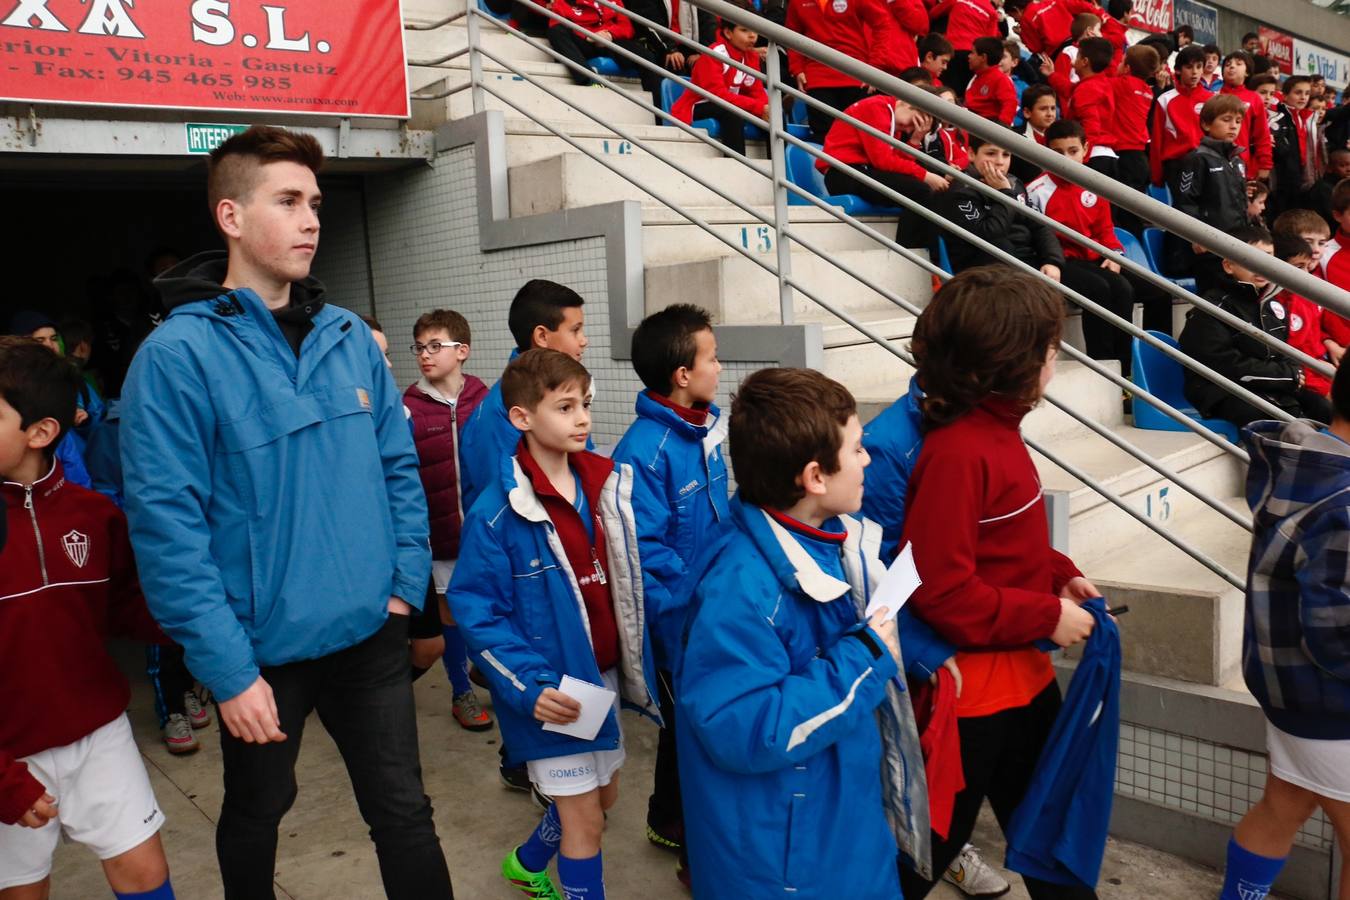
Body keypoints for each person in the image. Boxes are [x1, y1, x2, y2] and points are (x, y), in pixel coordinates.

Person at [119, 125, 454, 900]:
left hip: (371, 632)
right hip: (261, 653)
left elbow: (399, 472)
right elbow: (169, 532)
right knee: (259, 809)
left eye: (316, 203)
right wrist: (228, 672)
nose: (311, 220)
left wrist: (404, 590)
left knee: (404, 813)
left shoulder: (350, 339)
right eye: (289, 201)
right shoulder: (175, 359)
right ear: (231, 217)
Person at [676, 365, 952, 900]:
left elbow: (869, 624)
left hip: (836, 824)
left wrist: (908, 650)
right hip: (786, 859)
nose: (869, 459)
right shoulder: (742, 586)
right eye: (857, 449)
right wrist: (866, 658)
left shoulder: (829, 537)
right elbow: (748, 727)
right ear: (815, 478)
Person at [896, 266, 1101, 900]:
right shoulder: (959, 453)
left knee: (1049, 839)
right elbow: (943, 592)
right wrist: (1044, 617)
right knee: (920, 857)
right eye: (1046, 347)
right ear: (1009, 365)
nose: (1055, 357)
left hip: (1022, 680)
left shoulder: (997, 433)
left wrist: (1059, 577)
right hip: (975, 698)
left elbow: (1005, 546)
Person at [448, 349, 660, 900]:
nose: (583, 419)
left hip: (602, 680)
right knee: (586, 824)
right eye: (564, 407)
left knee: (604, 799)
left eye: (585, 404)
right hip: (552, 694)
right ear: (522, 418)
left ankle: (526, 860)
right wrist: (529, 685)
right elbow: (476, 609)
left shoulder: (608, 487)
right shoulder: (497, 513)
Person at [0, 336, 177, 900]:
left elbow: (128, 608)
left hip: (99, 732)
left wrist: (205, 622)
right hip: (10, 750)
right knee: (22, 891)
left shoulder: (95, 515)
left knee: (145, 875)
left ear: (41, 432)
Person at [1220, 361, 1350, 900]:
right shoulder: (1344, 504)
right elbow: (1336, 630)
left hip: (1289, 692)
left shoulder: (1307, 466)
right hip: (1332, 702)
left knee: (1284, 803)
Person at [609, 304, 730, 881]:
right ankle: (695, 856)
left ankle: (665, 817)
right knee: (696, 733)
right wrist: (689, 618)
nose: (720, 366)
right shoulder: (644, 453)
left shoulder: (707, 431)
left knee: (688, 730)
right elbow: (645, 559)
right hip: (677, 626)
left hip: (711, 614)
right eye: (711, 357)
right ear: (683, 374)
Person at [402, 309, 493, 727]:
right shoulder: (407, 407)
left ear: (463, 351)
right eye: (420, 347)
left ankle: (485, 668)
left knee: (490, 607)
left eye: (435, 346)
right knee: (449, 614)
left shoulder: (486, 398)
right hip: (436, 535)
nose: (425, 355)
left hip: (483, 532)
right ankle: (462, 692)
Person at [1178, 224, 1331, 428]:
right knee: (1278, 421)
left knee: (1326, 409)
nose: (1261, 266)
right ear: (1228, 266)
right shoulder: (1211, 308)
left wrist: (1291, 374)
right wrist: (1287, 376)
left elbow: (1287, 353)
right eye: (1251, 258)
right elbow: (1224, 366)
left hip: (1269, 386)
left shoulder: (1272, 302)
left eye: (1268, 257)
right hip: (1224, 392)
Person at [1027, 119, 1137, 374]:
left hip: (1093, 259)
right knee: (1099, 289)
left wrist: (1115, 254)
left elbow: (1105, 231)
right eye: (1058, 152)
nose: (1066, 159)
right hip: (1059, 261)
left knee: (1136, 289)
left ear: (1086, 149)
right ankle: (1103, 369)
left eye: (1073, 151)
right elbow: (1036, 236)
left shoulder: (1094, 183)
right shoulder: (1037, 190)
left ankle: (1130, 371)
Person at [819, 92, 948, 247]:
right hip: (843, 173)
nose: (909, 130)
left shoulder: (892, 119)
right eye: (914, 122)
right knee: (921, 190)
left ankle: (922, 253)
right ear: (906, 103)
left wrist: (915, 139)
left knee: (926, 192)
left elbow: (894, 163)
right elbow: (884, 161)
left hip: (861, 171)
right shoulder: (877, 108)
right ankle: (909, 253)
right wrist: (925, 175)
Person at [786, 0, 903, 141]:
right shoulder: (797, 2)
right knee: (825, 138)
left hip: (856, 78)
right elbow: (791, 34)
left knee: (859, 138)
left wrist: (874, 67)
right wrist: (797, 69)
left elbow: (882, 23)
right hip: (818, 80)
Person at [1166, 93, 1250, 290]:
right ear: (1206, 124)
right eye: (1226, 120)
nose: (1233, 126)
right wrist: (1197, 235)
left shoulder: (1237, 161)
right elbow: (1185, 201)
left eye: (1238, 121)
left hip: (1236, 245)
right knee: (1212, 299)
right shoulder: (1197, 158)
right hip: (1209, 248)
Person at [671, 13, 768, 158]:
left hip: (726, 103)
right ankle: (737, 166)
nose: (752, 36)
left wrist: (766, 109)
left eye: (754, 30)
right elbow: (718, 95)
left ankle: (780, 171)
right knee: (732, 112)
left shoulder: (751, 56)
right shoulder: (715, 53)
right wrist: (758, 107)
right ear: (728, 33)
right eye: (744, 30)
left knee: (775, 116)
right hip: (699, 104)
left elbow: (757, 91)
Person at [545, 0, 665, 108]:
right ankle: (589, 80)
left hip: (610, 39)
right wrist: (588, 36)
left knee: (647, 58)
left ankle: (660, 114)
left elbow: (626, 26)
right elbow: (556, 22)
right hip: (583, 40)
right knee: (556, 31)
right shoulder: (564, 2)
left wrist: (609, 34)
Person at [1270, 231, 1333, 398]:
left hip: (1320, 367)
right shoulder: (1274, 304)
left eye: (1307, 266)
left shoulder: (1308, 297)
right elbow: (1289, 354)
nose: (1305, 273)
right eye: (1299, 267)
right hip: (1303, 376)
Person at [1111, 43, 1161, 235]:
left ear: (1127, 67)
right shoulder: (1148, 91)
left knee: (1124, 212)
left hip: (1126, 156)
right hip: (1139, 157)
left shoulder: (1122, 84)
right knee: (1131, 208)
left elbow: (1100, 78)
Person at [1150, 44, 1210, 192]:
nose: (1195, 72)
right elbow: (1157, 140)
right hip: (1177, 165)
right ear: (1178, 69)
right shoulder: (1165, 100)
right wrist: (1157, 175)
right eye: (1189, 67)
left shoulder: (1212, 100)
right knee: (1181, 211)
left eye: (1199, 66)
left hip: (1207, 164)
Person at [1062, 37, 1117, 177]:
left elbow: (1091, 126)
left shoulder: (1087, 89)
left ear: (1085, 61)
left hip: (1092, 157)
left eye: (1078, 56)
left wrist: (1083, 158)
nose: (1073, 62)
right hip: (1104, 154)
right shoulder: (1101, 83)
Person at [928, 0, 1000, 101]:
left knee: (943, 90)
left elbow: (934, 13)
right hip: (973, 57)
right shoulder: (992, 12)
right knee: (959, 97)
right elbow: (990, 42)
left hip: (952, 52)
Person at [1218, 51, 1274, 182]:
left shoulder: (1254, 98)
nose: (1231, 66)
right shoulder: (1213, 95)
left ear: (1247, 72)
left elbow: (1262, 135)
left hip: (1241, 163)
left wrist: (1265, 165)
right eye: (1227, 64)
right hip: (1213, 161)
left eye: (1238, 64)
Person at [1318, 181, 1350, 355]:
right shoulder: (1322, 255)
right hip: (1341, 352)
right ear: (1337, 215)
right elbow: (1310, 309)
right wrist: (1327, 341)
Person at [1010, 82, 1058, 185]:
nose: (1050, 114)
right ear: (1027, 112)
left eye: (1053, 108)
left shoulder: (1061, 138)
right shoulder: (1014, 137)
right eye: (1043, 109)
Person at [964, 36, 1019, 126]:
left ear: (983, 57)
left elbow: (1010, 103)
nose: (969, 56)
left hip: (983, 129)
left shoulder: (1001, 79)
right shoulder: (977, 76)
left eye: (972, 53)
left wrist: (999, 130)